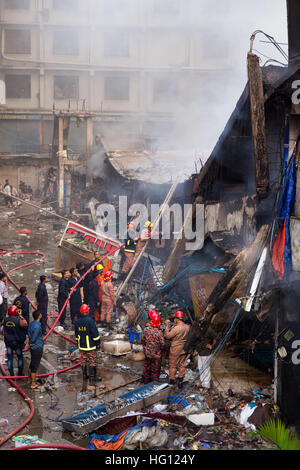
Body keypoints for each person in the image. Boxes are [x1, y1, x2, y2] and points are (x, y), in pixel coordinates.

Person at [74, 304, 101, 383]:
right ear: (87, 311)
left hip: (81, 346)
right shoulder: (90, 321)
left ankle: (85, 375)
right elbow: (94, 333)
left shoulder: (77, 321)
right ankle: (93, 377)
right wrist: (98, 342)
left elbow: (76, 335)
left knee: (83, 361)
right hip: (90, 346)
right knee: (92, 361)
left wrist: (78, 343)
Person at [164, 311, 190, 389]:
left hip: (175, 349)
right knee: (182, 364)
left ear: (177, 319)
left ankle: (172, 381)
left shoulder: (177, 328)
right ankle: (180, 382)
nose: (174, 320)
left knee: (173, 365)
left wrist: (167, 326)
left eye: (175, 318)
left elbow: (168, 336)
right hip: (184, 348)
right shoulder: (187, 327)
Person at [1, 305, 28, 377]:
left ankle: (11, 374)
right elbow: (25, 323)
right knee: (19, 357)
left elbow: (3, 328)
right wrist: (20, 315)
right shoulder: (18, 320)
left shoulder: (5, 320)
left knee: (10, 358)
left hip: (8, 342)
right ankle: (20, 373)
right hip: (17, 342)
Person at [141, 310, 165, 384]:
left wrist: (146, 347)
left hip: (148, 353)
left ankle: (145, 381)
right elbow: (163, 344)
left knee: (147, 367)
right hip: (156, 355)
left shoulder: (146, 329)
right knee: (155, 370)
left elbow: (142, 340)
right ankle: (154, 384)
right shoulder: (159, 332)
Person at [192, 320, 217, 390]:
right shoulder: (201, 330)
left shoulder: (209, 330)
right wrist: (196, 350)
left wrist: (212, 346)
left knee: (206, 369)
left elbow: (217, 338)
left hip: (206, 352)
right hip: (200, 352)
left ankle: (206, 385)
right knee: (200, 368)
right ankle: (203, 383)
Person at [24, 310, 44, 389]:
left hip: (33, 347)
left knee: (32, 364)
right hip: (37, 347)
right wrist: (30, 344)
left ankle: (29, 379)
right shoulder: (37, 327)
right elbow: (34, 338)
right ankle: (33, 383)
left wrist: (28, 344)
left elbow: (28, 335)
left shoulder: (31, 324)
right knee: (35, 366)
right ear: (39, 316)